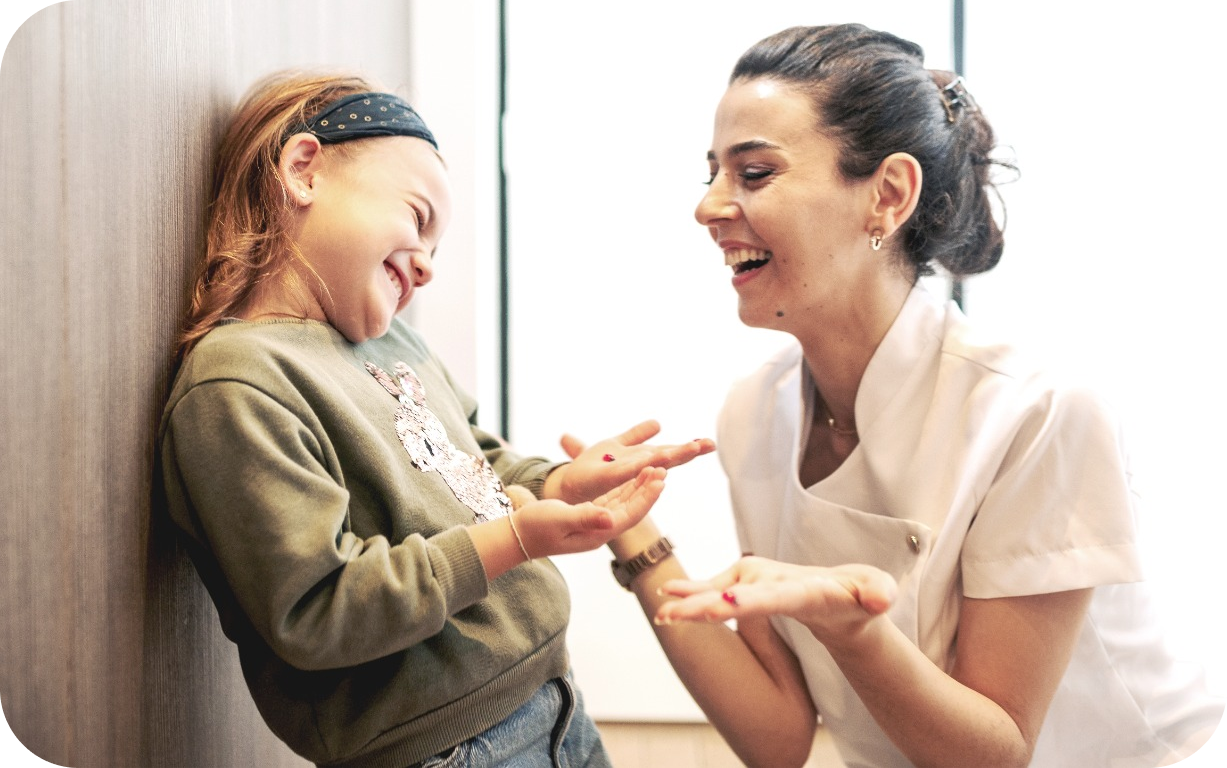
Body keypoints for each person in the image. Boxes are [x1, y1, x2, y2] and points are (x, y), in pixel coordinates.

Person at [594, 23, 1224, 768]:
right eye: (710, 174)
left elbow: (995, 751)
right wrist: (629, 535)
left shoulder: (1036, 410)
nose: (708, 208)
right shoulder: (753, 414)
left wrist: (853, 632)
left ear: (887, 195)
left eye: (754, 173)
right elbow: (776, 737)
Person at [156, 68, 714, 768]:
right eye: (419, 220)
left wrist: (560, 482)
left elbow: (474, 460)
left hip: (551, 701)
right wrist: (513, 538)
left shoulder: (391, 344)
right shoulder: (237, 381)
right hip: (447, 748)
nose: (427, 267)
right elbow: (317, 610)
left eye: (437, 249)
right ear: (303, 170)